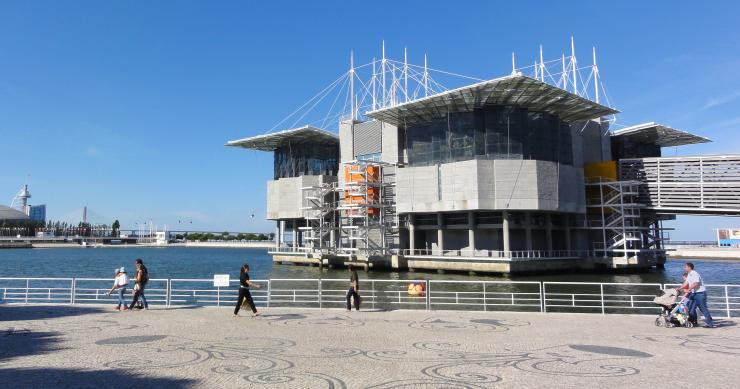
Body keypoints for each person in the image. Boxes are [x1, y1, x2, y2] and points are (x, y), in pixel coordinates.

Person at [683, 262, 714, 328]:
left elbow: (696, 283)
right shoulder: (689, 274)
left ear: (689, 267)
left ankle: (710, 324)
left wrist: (689, 289)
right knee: (690, 308)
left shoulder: (695, 273)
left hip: (700, 293)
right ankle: (692, 322)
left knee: (703, 308)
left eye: (685, 267)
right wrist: (679, 288)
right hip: (694, 293)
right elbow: (686, 282)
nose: (684, 268)